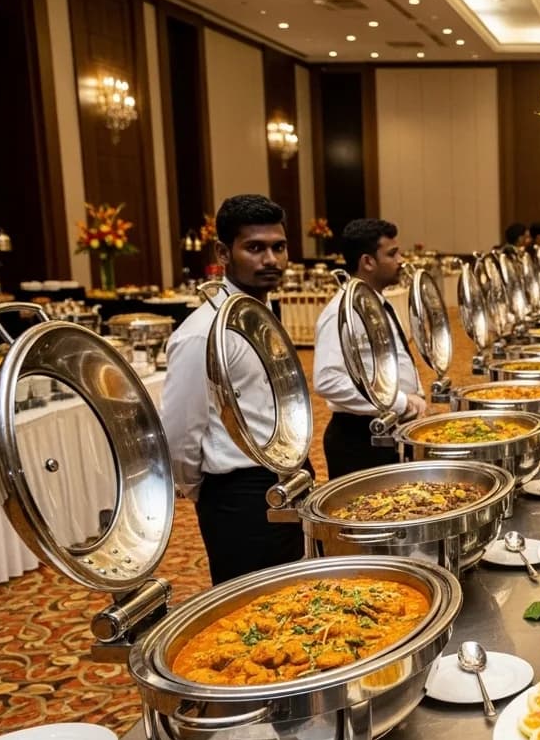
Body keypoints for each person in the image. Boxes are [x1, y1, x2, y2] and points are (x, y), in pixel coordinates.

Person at [161, 194, 305, 585]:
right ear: (224, 252)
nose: (271, 259)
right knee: (253, 606)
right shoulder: (200, 333)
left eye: (279, 247)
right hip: (240, 493)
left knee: (299, 594)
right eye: (255, 248)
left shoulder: (261, 314)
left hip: (289, 474)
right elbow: (177, 432)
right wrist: (205, 491)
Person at [313, 218, 427, 478]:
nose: (401, 260)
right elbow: (327, 380)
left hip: (389, 429)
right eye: (392, 253)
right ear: (367, 262)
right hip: (359, 437)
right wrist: (398, 401)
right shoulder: (342, 311)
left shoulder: (377, 303)